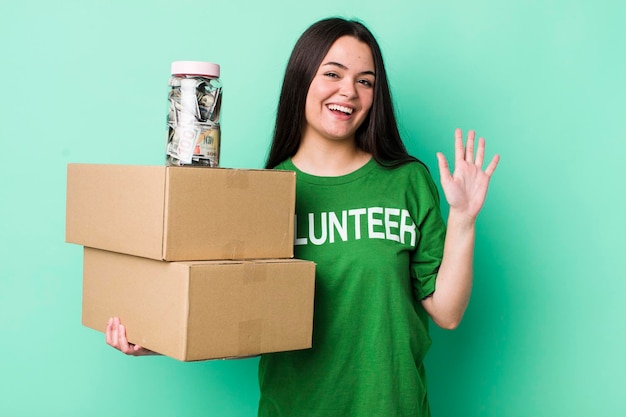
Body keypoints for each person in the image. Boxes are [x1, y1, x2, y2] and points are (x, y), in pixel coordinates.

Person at [106, 17, 499, 417]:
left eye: (366, 81)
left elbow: (447, 312)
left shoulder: (406, 181)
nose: (349, 91)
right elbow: (243, 326)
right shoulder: (261, 195)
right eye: (333, 73)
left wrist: (464, 219)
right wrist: (157, 336)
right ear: (302, 79)